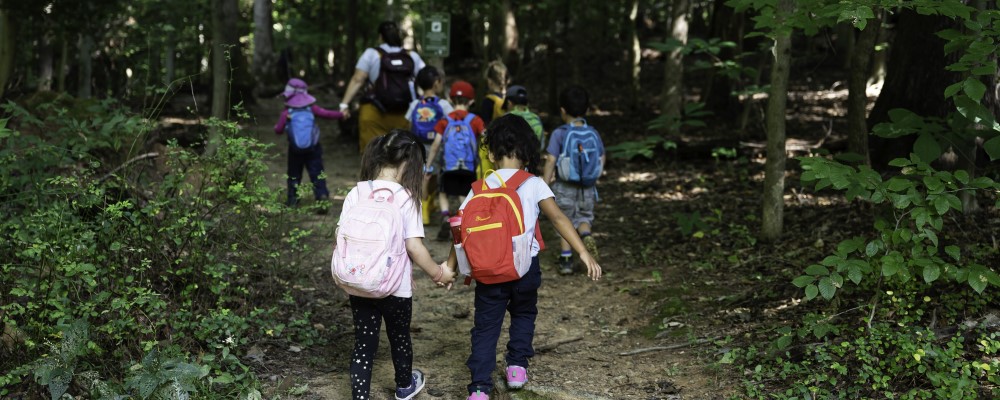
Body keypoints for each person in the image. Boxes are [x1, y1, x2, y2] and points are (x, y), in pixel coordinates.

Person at [445, 114, 602, 400]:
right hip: (525, 267)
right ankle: (516, 367)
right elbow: (558, 218)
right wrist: (582, 251)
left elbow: (459, 227)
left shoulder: (479, 188)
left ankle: (479, 387)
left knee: (486, 326)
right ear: (528, 152)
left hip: (488, 270)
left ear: (491, 153)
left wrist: (451, 266)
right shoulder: (533, 184)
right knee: (523, 313)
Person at [339, 130, 456, 400]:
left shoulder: (356, 192)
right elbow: (414, 247)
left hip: (360, 283)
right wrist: (439, 273)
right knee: (399, 337)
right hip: (395, 288)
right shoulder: (405, 198)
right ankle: (404, 386)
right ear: (410, 162)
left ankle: (360, 396)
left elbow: (341, 236)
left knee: (364, 344)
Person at [543, 85, 605, 275]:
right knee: (584, 217)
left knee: (565, 218)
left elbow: (551, 159)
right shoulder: (593, 132)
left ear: (562, 110)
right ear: (586, 110)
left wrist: (544, 184)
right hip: (587, 186)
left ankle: (567, 258)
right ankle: (586, 234)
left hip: (565, 185)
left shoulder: (560, 133)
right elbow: (601, 157)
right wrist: (593, 175)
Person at [340, 21, 426, 153]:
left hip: (375, 112)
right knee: (402, 156)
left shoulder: (371, 54)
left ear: (380, 37)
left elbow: (358, 79)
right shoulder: (412, 56)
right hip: (405, 114)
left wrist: (344, 104)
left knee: (373, 155)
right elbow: (426, 79)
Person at [426, 80, 486, 241]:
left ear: (451, 100)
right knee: (464, 194)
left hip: (449, 167)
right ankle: (462, 222)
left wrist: (429, 165)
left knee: (444, 192)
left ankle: (446, 216)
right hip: (469, 167)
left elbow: (435, 145)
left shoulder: (445, 121)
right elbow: (486, 139)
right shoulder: (476, 120)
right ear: (472, 101)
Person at [273, 78, 345, 210]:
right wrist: (341, 114)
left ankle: (292, 200)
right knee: (317, 173)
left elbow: (278, 130)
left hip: (295, 150)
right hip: (313, 148)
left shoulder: (287, 112)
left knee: (294, 174)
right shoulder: (311, 108)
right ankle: (322, 197)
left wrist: (278, 126)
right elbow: (327, 114)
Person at [404, 66, 454, 223]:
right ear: (436, 83)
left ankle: (426, 205)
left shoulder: (414, 104)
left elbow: (408, 124)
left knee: (422, 174)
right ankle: (425, 210)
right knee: (433, 175)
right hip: (437, 146)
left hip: (418, 144)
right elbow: (452, 122)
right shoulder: (444, 104)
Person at [475, 60, 509, 179]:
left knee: (486, 174)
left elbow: (484, 124)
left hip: (490, 143)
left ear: (489, 81)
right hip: (507, 141)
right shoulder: (509, 101)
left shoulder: (488, 101)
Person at [504, 85, 545, 152]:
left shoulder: (505, 118)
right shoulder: (536, 118)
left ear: (509, 102)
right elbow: (541, 145)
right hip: (532, 159)